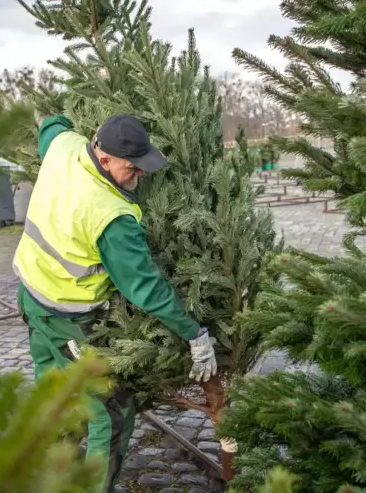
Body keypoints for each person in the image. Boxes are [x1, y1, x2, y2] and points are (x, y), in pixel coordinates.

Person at [12, 113, 218, 493]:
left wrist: (51, 117)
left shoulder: (65, 147)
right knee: (112, 409)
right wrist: (195, 333)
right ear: (103, 157)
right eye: (132, 168)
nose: (140, 175)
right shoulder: (109, 214)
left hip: (31, 295)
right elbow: (146, 288)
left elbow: (52, 127)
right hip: (65, 318)